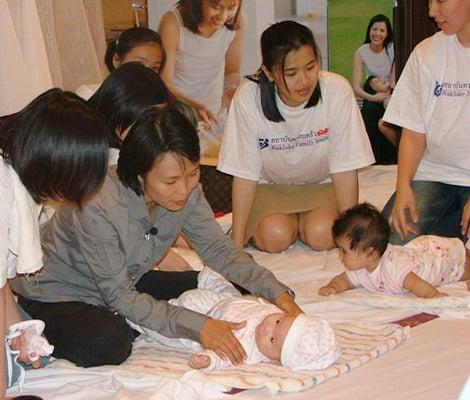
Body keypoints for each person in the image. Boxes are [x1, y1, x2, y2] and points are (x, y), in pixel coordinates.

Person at [11, 107, 302, 369]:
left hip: (122, 278)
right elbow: (119, 296)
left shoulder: (188, 192)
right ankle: (29, 323)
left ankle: (137, 316)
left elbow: (218, 249)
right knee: (111, 343)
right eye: (170, 181)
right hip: (57, 292)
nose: (184, 190)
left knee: (233, 278)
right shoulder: (97, 203)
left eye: (192, 173)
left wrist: (278, 294)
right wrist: (198, 326)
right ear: (140, 177)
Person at [217, 20, 374, 253]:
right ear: (268, 72)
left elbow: (345, 167)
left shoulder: (336, 91)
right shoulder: (248, 97)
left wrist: (353, 239)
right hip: (269, 188)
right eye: (291, 73)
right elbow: (245, 174)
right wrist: (236, 248)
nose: (304, 81)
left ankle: (307, 225)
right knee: (275, 237)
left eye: (311, 67)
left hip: (321, 185)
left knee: (322, 235)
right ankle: (285, 226)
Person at [0, 89, 110, 398]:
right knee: (10, 374)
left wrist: (18, 332)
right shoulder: (3, 190)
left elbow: (3, 280)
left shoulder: (17, 165)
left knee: (34, 352)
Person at [88, 62, 194, 271]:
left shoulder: (126, 146)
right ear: (119, 114)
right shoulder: (99, 158)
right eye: (147, 119)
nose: (157, 126)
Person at [382, 0, 470, 245]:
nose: (432, 11)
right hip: (434, 176)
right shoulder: (426, 52)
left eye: (440, 0)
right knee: (388, 242)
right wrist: (403, 187)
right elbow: (413, 132)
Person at [134, 268, 339, 371]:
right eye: (278, 322)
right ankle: (195, 273)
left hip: (201, 322)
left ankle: (133, 317)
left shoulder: (248, 351)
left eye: (272, 340)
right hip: (222, 300)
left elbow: (224, 356)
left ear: (275, 359)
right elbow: (254, 302)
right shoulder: (272, 312)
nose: (267, 329)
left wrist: (209, 360)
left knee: (162, 327)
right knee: (218, 276)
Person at [319, 203, 470, 298]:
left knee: (463, 267)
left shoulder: (395, 268)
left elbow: (416, 284)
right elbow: (344, 280)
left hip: (438, 257)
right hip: (418, 250)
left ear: (370, 253)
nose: (339, 255)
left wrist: (433, 296)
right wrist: (333, 287)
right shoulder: (361, 267)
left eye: (344, 251)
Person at [158, 0, 246, 125]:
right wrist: (194, 106)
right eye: (216, 7)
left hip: (212, 113)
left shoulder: (239, 22)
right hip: (177, 111)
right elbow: (164, 82)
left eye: (232, 8)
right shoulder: (173, 22)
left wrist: (229, 91)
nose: (223, 16)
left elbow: (232, 72)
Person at [76, 27, 165, 100]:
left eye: (154, 68)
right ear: (116, 60)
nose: (147, 73)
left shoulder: (156, 102)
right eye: (139, 64)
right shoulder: (88, 95)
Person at [353, 14, 396, 164]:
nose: (377, 34)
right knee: (369, 110)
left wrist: (388, 90)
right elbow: (356, 87)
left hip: (388, 89)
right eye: (374, 29)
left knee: (387, 116)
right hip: (371, 90)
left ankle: (389, 156)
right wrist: (373, 97)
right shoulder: (361, 52)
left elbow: (393, 80)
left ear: (387, 33)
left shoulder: (391, 49)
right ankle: (373, 158)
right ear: (369, 30)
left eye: (382, 31)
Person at [362, 75, 398, 145]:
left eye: (380, 78)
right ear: (376, 93)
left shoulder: (396, 88)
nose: (381, 79)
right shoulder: (373, 109)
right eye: (376, 82)